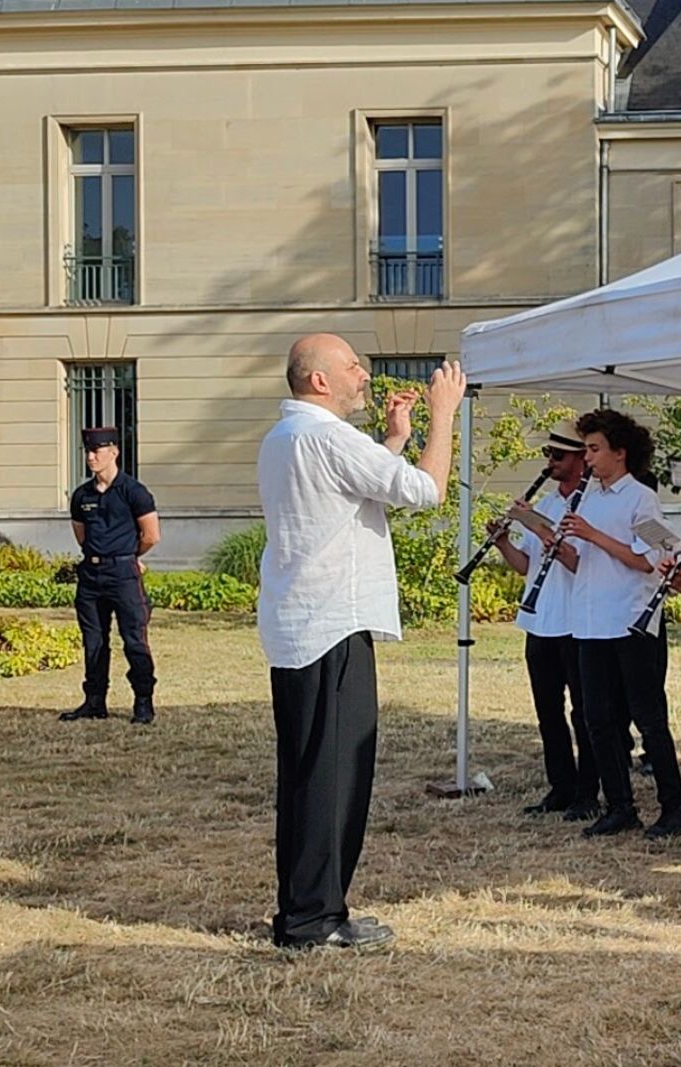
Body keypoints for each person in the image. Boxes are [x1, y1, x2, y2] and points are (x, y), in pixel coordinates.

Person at [257, 333, 462, 950]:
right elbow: (425, 491)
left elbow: (361, 484)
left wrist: (396, 437)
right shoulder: (327, 436)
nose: (366, 376)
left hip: (301, 624)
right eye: (352, 367)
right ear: (319, 381)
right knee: (334, 778)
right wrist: (443, 413)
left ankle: (304, 910)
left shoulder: (287, 435)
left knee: (305, 775)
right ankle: (316, 921)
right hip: (333, 623)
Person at [562, 409, 681, 841]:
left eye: (595, 449)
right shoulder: (589, 496)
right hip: (590, 620)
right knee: (596, 718)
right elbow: (585, 561)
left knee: (648, 719)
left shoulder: (641, 498)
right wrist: (555, 543)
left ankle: (674, 808)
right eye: (586, 449)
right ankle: (620, 806)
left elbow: (647, 561)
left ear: (620, 453)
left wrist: (593, 534)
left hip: (631, 620)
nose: (589, 458)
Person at [493, 431, 597, 820]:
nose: (549, 460)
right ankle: (561, 786)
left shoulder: (589, 506)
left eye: (557, 454)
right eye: (548, 453)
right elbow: (527, 566)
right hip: (540, 620)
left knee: (583, 712)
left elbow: (578, 562)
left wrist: (539, 527)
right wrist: (503, 543)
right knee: (547, 711)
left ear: (579, 459)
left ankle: (589, 791)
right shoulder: (549, 502)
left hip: (577, 622)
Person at [62, 427, 161, 725]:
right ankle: (94, 701)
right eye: (88, 452)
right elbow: (82, 536)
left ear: (114, 452)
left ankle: (143, 700)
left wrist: (129, 557)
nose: (91, 457)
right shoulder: (82, 495)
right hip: (91, 575)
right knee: (93, 640)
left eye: (97, 451)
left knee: (133, 638)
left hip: (123, 574)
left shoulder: (134, 492)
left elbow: (151, 535)